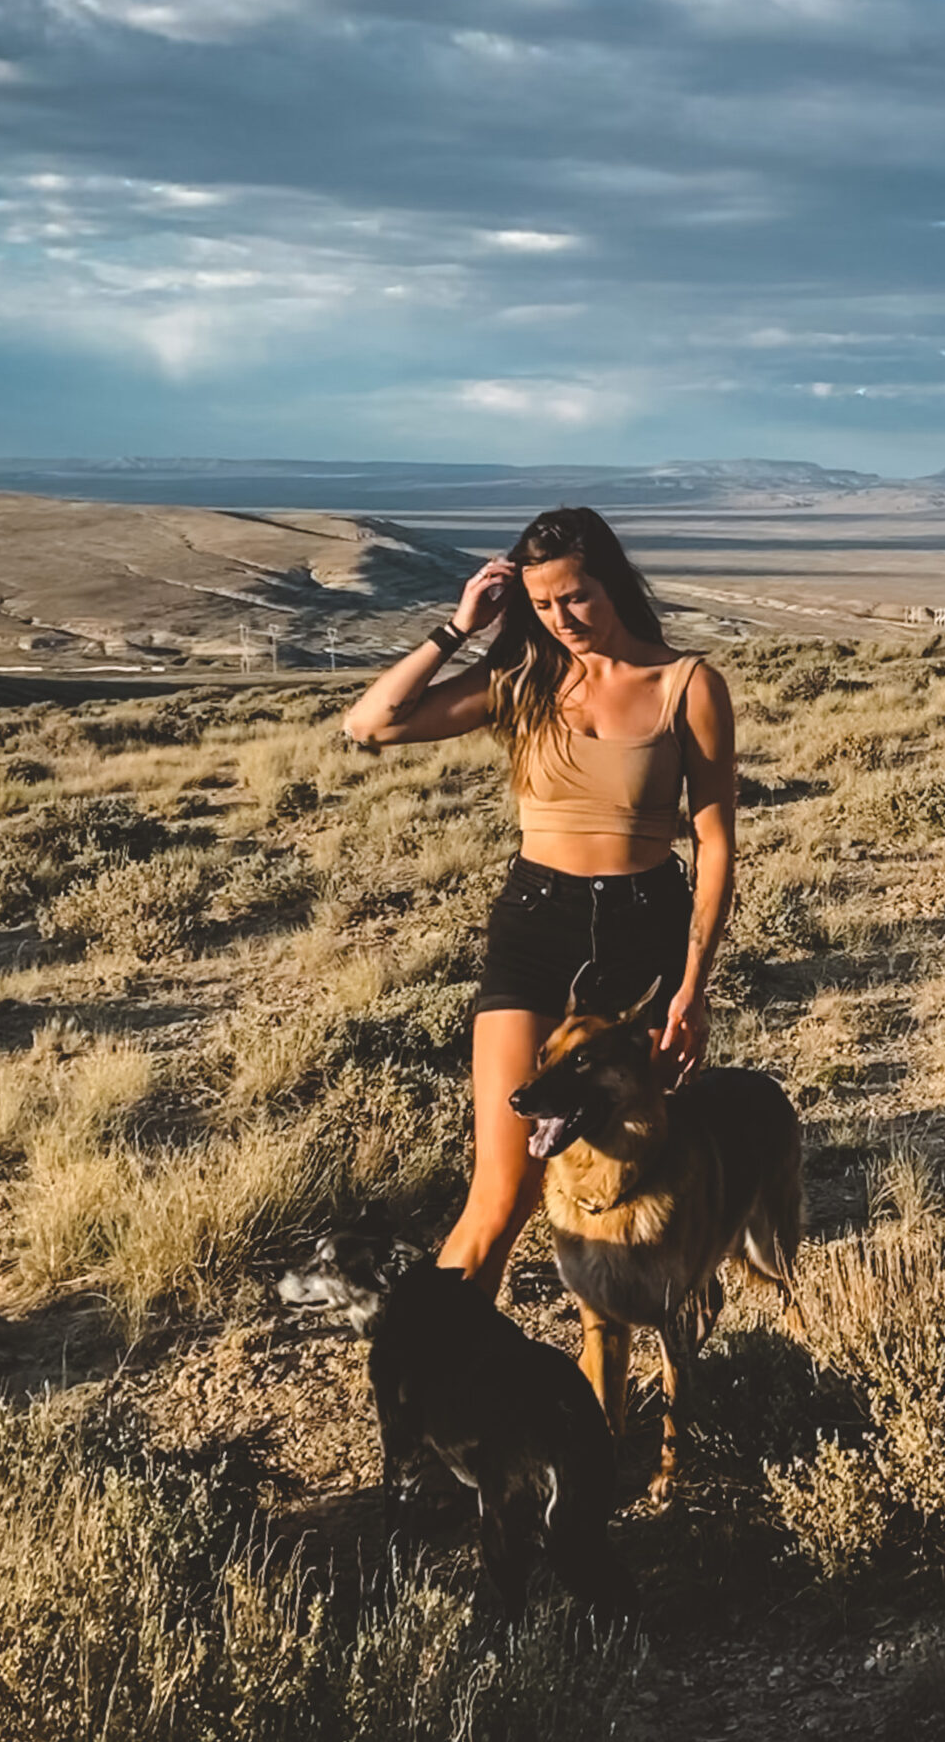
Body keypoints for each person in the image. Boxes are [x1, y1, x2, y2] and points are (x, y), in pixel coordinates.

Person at [342, 507, 737, 1301]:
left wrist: (693, 988)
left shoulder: (686, 686)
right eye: (544, 605)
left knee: (648, 1173)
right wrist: (457, 628)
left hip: (644, 939)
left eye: (577, 598)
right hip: (537, 927)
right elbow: (370, 725)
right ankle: (445, 1367)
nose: (562, 619)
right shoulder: (521, 680)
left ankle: (655, 1352)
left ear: (612, 583)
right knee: (504, 1186)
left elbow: (716, 844)